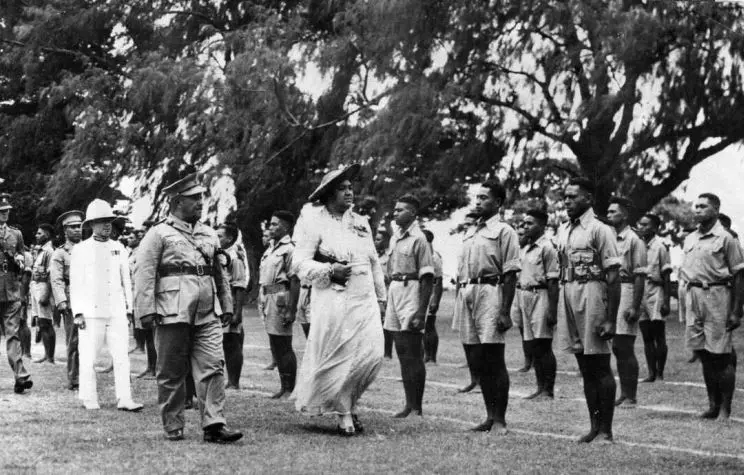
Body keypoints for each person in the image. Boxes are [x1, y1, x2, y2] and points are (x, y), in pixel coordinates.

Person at [134, 172, 241, 443]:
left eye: (200, 198)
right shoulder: (158, 233)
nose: (200, 203)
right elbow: (145, 273)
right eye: (194, 199)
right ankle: (173, 425)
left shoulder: (208, 234)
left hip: (206, 311)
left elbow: (218, 271)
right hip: (171, 311)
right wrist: (145, 310)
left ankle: (214, 425)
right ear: (177, 202)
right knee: (171, 371)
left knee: (213, 366)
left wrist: (226, 303)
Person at [292, 164, 387, 436]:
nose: (349, 192)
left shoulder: (361, 223)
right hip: (334, 296)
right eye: (343, 188)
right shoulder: (315, 222)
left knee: (372, 354)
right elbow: (299, 263)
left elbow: (374, 262)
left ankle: (349, 401)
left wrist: (381, 298)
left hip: (364, 296)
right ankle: (345, 412)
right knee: (342, 354)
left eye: (350, 187)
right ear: (329, 194)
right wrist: (328, 270)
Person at [556, 178, 620, 443]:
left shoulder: (600, 229)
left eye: (573, 197)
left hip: (592, 292)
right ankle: (594, 426)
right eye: (565, 197)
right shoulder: (563, 229)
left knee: (600, 365)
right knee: (584, 365)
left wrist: (610, 319)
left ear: (588, 199)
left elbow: (614, 276)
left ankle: (606, 429)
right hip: (568, 292)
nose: (567, 201)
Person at [454, 180, 520, 433]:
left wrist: (504, 310)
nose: (478, 201)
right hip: (468, 291)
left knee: (494, 358)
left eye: (484, 198)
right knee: (477, 358)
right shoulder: (472, 230)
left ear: (498, 203)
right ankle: (489, 416)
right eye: (477, 197)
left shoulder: (505, 231)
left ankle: (500, 419)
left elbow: (511, 273)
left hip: (491, 291)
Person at [70, 199, 143, 412]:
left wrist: (129, 309)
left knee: (121, 356)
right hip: (91, 312)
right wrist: (78, 312)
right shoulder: (81, 250)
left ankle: (125, 398)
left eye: (109, 221)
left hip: (116, 310)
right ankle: (89, 397)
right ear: (92, 224)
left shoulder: (119, 248)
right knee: (89, 357)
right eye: (102, 221)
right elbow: (76, 283)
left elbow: (126, 280)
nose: (107, 225)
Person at [679, 193, 744, 422]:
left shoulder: (726, 238)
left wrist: (736, 311)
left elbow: (738, 275)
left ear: (716, 210)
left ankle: (725, 409)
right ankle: (713, 404)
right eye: (695, 206)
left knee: (721, 355)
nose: (697, 210)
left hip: (717, 294)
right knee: (704, 354)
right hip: (693, 294)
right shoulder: (690, 238)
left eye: (703, 206)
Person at [385, 195, 434, 418]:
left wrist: (421, 310)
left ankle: (417, 406)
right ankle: (408, 403)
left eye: (400, 210)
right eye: (394, 210)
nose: (395, 213)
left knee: (413, 350)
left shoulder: (419, 239)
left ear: (413, 214)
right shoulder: (396, 238)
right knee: (401, 350)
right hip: (395, 288)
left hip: (411, 289)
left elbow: (427, 277)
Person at [512, 209, 559, 400]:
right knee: (533, 346)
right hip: (525, 295)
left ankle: (548, 390)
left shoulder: (547, 248)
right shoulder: (525, 248)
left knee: (543, 345)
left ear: (542, 226)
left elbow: (553, 281)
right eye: (524, 224)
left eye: (529, 223)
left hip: (541, 295)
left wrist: (552, 310)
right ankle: (540, 387)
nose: (525, 227)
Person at [606, 197, 647, 408]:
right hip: (611, 289)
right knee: (617, 347)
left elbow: (640, 275)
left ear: (624, 215)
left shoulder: (634, 239)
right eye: (609, 212)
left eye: (614, 212)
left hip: (627, 289)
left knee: (624, 345)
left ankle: (630, 395)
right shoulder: (609, 237)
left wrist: (635, 306)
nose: (610, 215)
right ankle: (624, 393)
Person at [258, 211, 299, 399]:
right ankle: (283, 386)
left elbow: (295, 280)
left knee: (284, 344)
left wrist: (291, 309)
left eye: (275, 225)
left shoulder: (290, 249)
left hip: (281, 297)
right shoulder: (271, 248)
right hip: (268, 297)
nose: (271, 228)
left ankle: (290, 388)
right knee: (275, 343)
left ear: (286, 227)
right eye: (271, 224)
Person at [0, 194, 33, 394]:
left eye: (7, 210)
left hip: (11, 290)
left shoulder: (16, 234)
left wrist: (20, 259)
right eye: (2, 210)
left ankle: (20, 376)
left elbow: (22, 253)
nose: (5, 213)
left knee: (13, 335)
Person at [50, 210, 84, 390]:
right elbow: (56, 279)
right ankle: (74, 378)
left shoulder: (88, 248)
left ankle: (87, 374)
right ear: (65, 230)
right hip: (72, 297)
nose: (78, 230)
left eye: (79, 226)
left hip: (89, 296)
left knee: (90, 339)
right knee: (74, 340)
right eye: (73, 227)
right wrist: (61, 301)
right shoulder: (60, 253)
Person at [637, 213, 672, 383]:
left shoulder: (660, 247)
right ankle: (650, 372)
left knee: (658, 335)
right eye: (640, 224)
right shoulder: (637, 246)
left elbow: (666, 276)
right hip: (641, 293)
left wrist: (666, 300)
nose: (642, 227)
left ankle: (660, 372)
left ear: (655, 228)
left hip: (655, 293)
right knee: (646, 336)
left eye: (646, 225)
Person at [454, 212, 482, 394]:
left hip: (477, 289)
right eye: (465, 224)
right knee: (467, 338)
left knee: (478, 340)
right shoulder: (465, 241)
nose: (467, 226)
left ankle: (481, 380)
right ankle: (474, 379)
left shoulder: (479, 240)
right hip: (463, 289)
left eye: (470, 223)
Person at [218, 222, 248, 390]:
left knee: (232, 342)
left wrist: (238, 312)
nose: (216, 239)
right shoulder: (221, 255)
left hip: (231, 304)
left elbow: (239, 286)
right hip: (222, 305)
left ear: (229, 239)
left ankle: (234, 381)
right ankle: (229, 379)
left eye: (220, 236)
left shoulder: (234, 258)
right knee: (225, 342)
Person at [30, 223, 57, 364]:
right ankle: (46, 354)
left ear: (47, 235)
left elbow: (51, 274)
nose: (36, 235)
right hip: (36, 287)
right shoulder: (41, 251)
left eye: (39, 233)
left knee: (46, 322)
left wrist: (46, 294)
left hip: (43, 287)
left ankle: (50, 356)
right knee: (41, 322)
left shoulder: (49, 252)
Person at [422, 229, 443, 364]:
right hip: (420, 291)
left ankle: (432, 356)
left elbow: (439, 280)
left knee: (430, 325)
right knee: (422, 326)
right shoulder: (422, 255)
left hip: (431, 292)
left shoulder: (434, 257)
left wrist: (435, 299)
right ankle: (425, 355)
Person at [375, 228, 393, 359]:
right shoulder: (373, 256)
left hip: (387, 292)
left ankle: (387, 352)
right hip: (373, 293)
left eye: (378, 239)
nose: (375, 242)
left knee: (386, 323)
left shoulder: (390, 256)